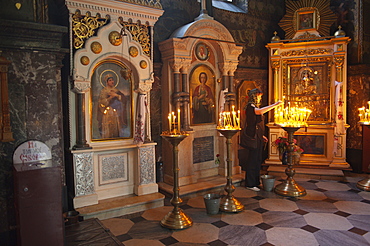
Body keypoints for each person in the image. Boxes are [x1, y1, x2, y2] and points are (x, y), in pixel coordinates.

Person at [239, 88, 283, 191]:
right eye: (258, 96)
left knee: (257, 160)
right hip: (252, 137)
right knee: (252, 160)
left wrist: (261, 136)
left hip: (257, 137)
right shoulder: (250, 107)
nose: (260, 98)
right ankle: (250, 184)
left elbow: (257, 124)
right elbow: (259, 112)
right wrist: (275, 105)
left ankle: (255, 182)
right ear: (254, 96)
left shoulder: (255, 107)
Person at [97, 73, 127, 138]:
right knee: (108, 128)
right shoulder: (103, 91)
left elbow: (124, 99)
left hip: (116, 112)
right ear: (107, 82)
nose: (112, 82)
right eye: (110, 80)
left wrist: (116, 95)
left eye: (112, 80)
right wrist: (110, 97)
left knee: (116, 127)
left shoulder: (116, 90)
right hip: (107, 112)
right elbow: (101, 102)